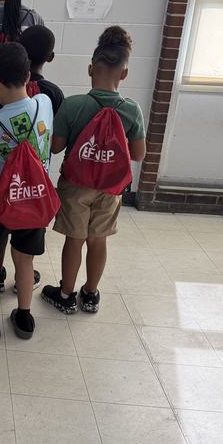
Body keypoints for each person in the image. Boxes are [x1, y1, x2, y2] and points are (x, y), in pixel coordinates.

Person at [42, 26, 146, 314]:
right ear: (124, 73)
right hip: (110, 187)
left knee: (74, 239)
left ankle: (65, 294)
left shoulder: (73, 105)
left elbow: (56, 148)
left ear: (91, 69)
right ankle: (90, 294)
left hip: (76, 184)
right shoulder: (132, 110)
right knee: (98, 239)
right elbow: (138, 155)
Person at [0, 42, 54, 342]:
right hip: (34, 201)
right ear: (28, 75)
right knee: (25, 259)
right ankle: (25, 316)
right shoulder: (45, 104)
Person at [0, 24, 65, 293]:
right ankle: (24, 312)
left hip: (2, 191)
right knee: (25, 256)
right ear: (50, 56)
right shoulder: (48, 98)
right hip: (36, 190)